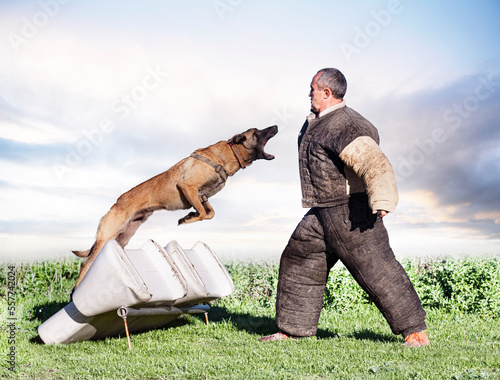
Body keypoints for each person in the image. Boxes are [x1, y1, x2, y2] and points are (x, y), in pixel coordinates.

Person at [260, 68, 429, 347]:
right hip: (322, 211)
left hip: (352, 211)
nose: (309, 93)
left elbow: (374, 162)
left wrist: (383, 199)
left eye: (312, 89)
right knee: (298, 259)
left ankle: (415, 331)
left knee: (378, 269)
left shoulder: (346, 123)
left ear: (326, 93)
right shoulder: (319, 121)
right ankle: (293, 330)